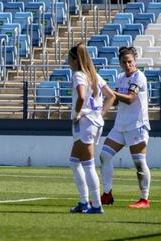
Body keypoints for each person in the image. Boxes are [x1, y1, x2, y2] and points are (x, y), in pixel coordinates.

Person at [100, 47, 151, 209]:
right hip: (120, 126)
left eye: (130, 61)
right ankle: (107, 194)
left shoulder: (139, 77)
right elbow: (116, 100)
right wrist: (106, 97)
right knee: (104, 156)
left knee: (140, 164)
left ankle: (144, 199)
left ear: (135, 61)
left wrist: (112, 93)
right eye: (124, 62)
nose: (127, 64)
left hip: (137, 126)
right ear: (120, 64)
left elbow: (129, 98)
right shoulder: (121, 77)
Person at [68, 43, 115, 214]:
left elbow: (81, 96)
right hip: (93, 122)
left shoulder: (79, 75)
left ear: (74, 59)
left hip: (86, 123)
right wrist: (100, 114)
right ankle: (83, 202)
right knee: (74, 162)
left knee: (88, 164)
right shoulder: (94, 75)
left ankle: (95, 205)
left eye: (69, 58)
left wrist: (77, 113)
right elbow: (111, 95)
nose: (68, 62)